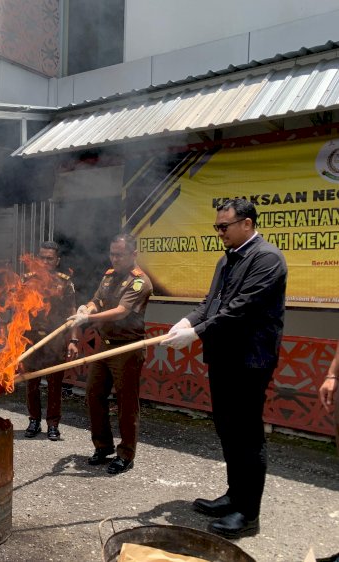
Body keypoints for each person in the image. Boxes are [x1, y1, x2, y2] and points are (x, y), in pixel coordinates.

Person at [161, 198, 287, 539]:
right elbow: (211, 303)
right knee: (228, 430)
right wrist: (186, 321)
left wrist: (195, 334)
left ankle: (248, 514)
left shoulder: (267, 259)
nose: (219, 233)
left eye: (224, 226)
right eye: (217, 227)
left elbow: (240, 310)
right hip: (223, 358)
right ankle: (234, 495)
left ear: (246, 223)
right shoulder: (227, 260)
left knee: (247, 435)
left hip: (249, 361)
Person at [70, 234, 152, 475]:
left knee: (126, 403)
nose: (114, 258)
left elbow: (120, 312)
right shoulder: (108, 276)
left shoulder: (140, 282)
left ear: (133, 254)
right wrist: (87, 308)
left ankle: (126, 454)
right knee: (94, 394)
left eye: (120, 254)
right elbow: (98, 301)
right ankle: (103, 447)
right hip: (104, 345)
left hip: (127, 348)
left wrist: (89, 318)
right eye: (112, 254)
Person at [22, 241, 78, 441]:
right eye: (42, 258)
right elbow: (19, 312)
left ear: (57, 261)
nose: (45, 262)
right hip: (31, 340)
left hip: (55, 340)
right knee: (31, 383)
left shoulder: (65, 283)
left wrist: (74, 340)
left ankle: (53, 424)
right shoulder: (27, 280)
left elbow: (72, 313)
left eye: (50, 259)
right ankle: (34, 420)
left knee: (55, 384)